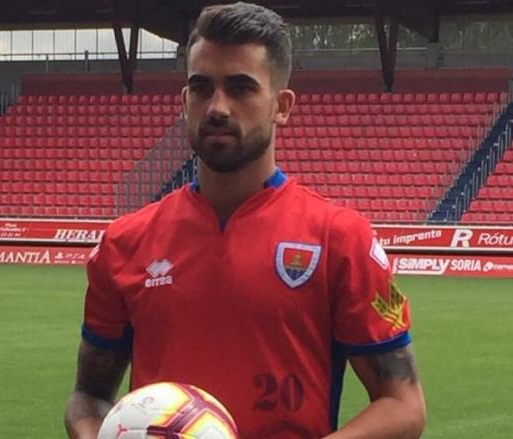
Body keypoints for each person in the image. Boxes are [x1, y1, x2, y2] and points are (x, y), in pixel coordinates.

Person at [64, 2, 426, 438]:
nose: (217, 107)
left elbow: (403, 405)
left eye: (241, 88)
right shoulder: (126, 242)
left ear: (282, 105)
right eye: (201, 88)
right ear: (184, 101)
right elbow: (89, 396)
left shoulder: (338, 239)